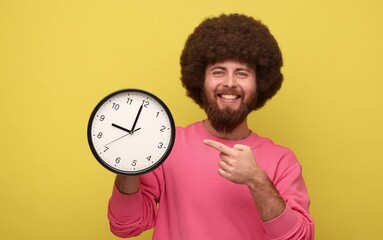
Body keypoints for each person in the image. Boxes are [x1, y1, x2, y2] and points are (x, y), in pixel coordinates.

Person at [108, 13, 314, 239]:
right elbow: (125, 226)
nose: (229, 83)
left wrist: (256, 180)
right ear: (200, 79)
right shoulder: (166, 145)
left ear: (260, 83)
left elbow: (299, 237)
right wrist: (128, 165)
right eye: (218, 72)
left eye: (242, 73)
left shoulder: (282, 160)